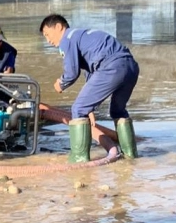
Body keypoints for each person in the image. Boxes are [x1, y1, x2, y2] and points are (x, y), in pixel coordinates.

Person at [39, 14, 139, 162]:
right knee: (118, 111)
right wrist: (90, 108)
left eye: (47, 34)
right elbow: (91, 73)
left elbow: (72, 73)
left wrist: (61, 83)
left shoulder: (67, 39)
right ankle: (131, 157)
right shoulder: (82, 35)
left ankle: (79, 161)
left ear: (59, 27)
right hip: (130, 67)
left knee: (78, 109)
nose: (48, 40)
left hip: (111, 67)